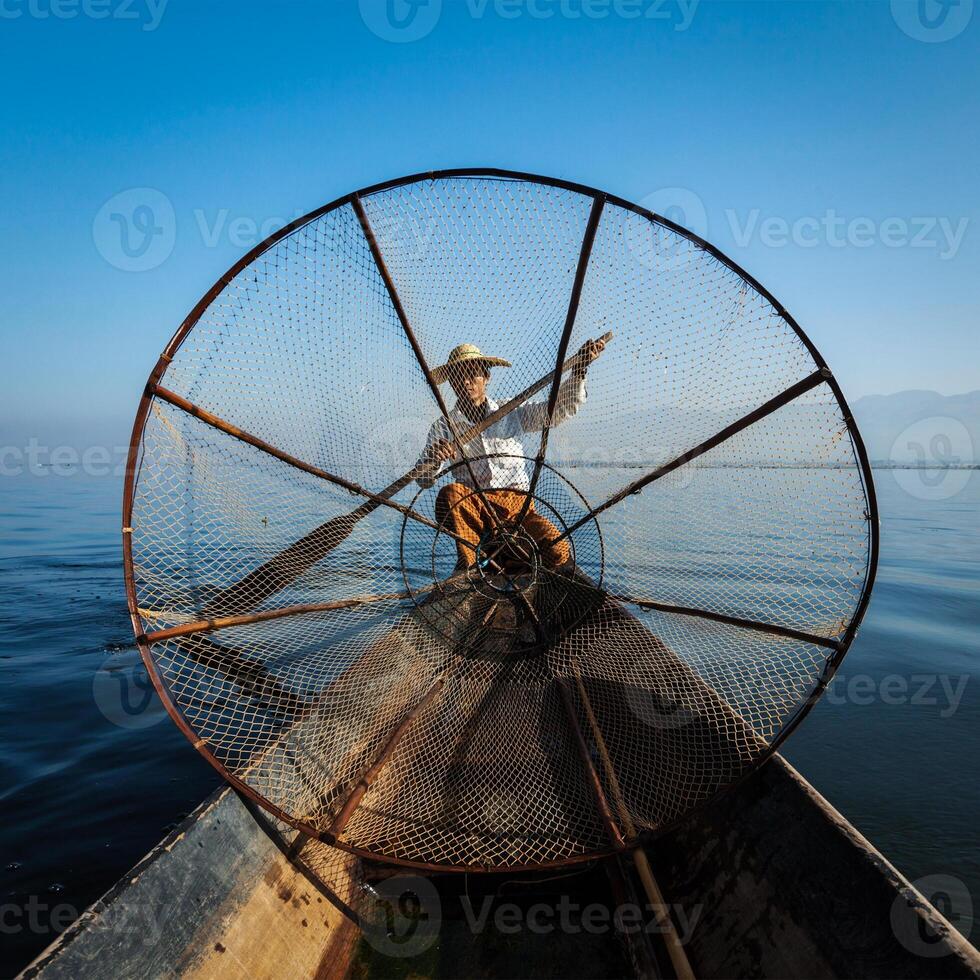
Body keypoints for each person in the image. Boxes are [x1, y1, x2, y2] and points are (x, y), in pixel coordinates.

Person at [415, 337, 607, 571]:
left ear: (486, 377)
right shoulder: (444, 426)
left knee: (557, 551)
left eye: (473, 374)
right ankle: (474, 564)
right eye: (458, 376)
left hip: (518, 508)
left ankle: (510, 556)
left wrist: (579, 369)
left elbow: (558, 411)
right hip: (476, 509)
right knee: (450, 494)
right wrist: (434, 459)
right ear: (452, 383)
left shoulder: (510, 411)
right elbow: (422, 479)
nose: (466, 381)